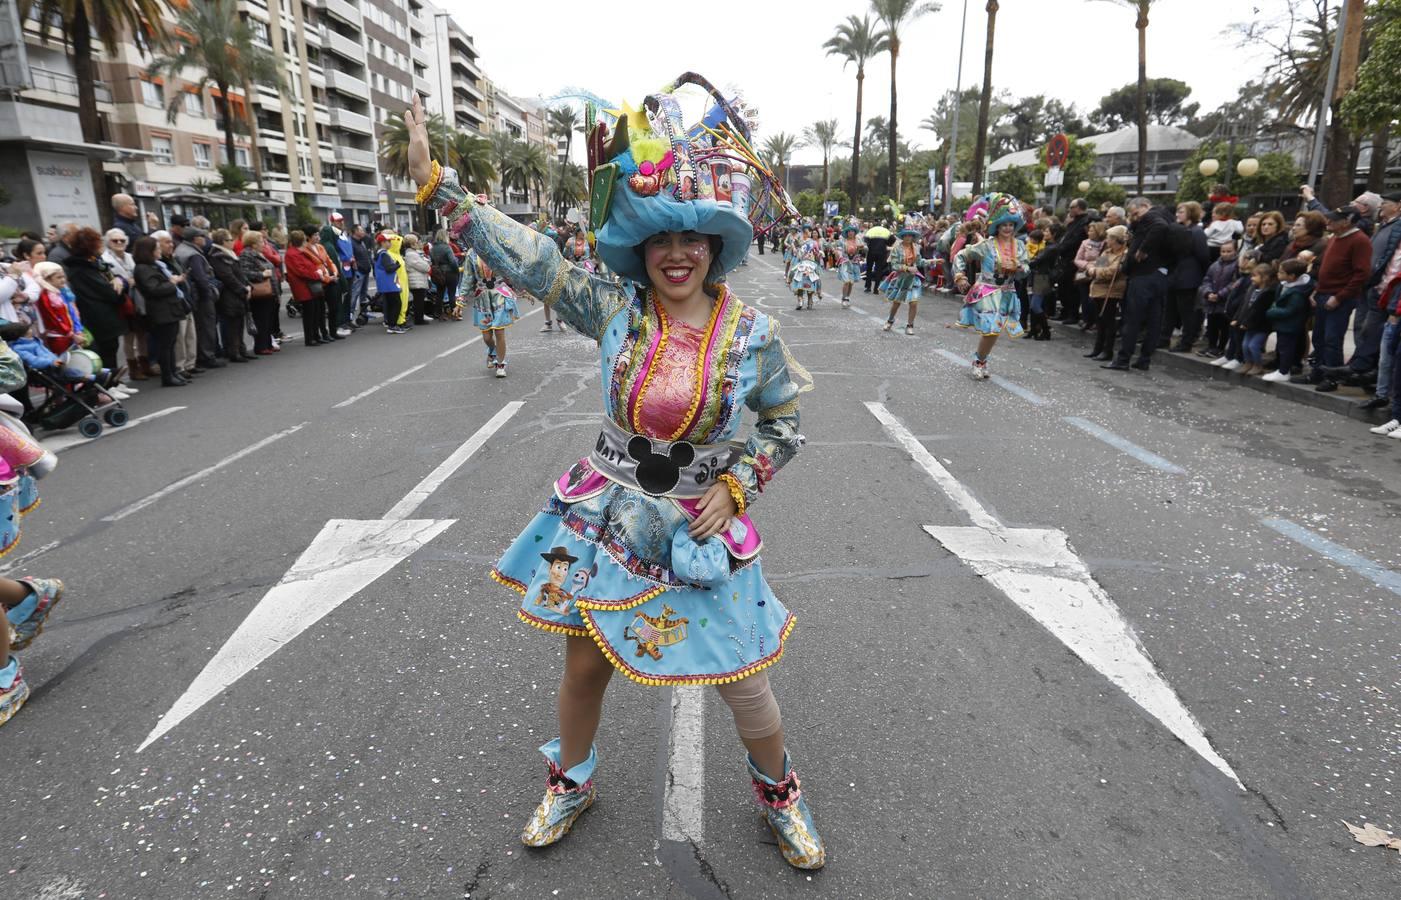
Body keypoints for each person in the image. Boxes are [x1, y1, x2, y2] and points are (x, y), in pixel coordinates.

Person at [405, 81, 823, 868]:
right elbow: (531, 260)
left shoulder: (755, 335)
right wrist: (441, 187)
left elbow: (783, 425)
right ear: (639, 248)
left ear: (715, 246)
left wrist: (736, 485)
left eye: (693, 238)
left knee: (743, 678)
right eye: (660, 240)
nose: (676, 253)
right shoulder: (615, 311)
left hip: (701, 523)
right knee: (583, 662)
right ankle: (571, 782)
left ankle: (781, 797)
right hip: (603, 516)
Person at [953, 193, 1029, 379]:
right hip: (987, 291)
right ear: (997, 226)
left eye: (1011, 225)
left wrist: (1019, 266)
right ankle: (979, 362)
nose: (1008, 228)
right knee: (991, 329)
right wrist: (960, 276)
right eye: (1004, 225)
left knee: (994, 332)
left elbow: (1027, 269)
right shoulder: (987, 245)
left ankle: (981, 359)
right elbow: (960, 256)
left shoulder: (1019, 246)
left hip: (1007, 293)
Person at [1301, 207, 1372, 390]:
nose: (1329, 222)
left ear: (1347, 221)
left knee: (1333, 338)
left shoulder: (1359, 240)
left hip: (1339, 297)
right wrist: (1317, 289)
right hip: (1324, 293)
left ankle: (1332, 377)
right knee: (1319, 336)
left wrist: (1340, 297)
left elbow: (1361, 274)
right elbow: (1325, 267)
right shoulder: (1334, 238)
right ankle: (1318, 371)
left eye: (1334, 219)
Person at [1104, 196, 1174, 372]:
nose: (1135, 217)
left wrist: (1142, 250)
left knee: (1133, 318)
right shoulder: (1166, 216)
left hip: (1143, 275)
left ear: (1145, 206)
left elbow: (1159, 227)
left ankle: (1123, 359)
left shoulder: (1153, 217)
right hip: (1159, 275)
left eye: (1136, 213)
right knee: (1153, 320)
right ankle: (1144, 359)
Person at [60, 228, 128, 376]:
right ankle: (109, 384)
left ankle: (114, 381)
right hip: (98, 315)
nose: (101, 244)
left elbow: (114, 278)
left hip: (104, 313)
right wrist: (118, 285)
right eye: (99, 241)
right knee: (105, 351)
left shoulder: (95, 263)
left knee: (111, 348)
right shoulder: (81, 269)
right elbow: (109, 291)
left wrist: (119, 280)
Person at [131, 236, 189, 386]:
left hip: (169, 308)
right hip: (160, 310)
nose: (159, 251)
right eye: (156, 249)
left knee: (171, 343)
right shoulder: (142, 268)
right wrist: (172, 283)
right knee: (165, 344)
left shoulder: (154, 266)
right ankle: (168, 375)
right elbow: (153, 289)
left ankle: (173, 372)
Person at [462, 249, 524, 376]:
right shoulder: (471, 254)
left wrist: (523, 288)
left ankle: (500, 365)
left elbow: (511, 271)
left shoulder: (496, 248)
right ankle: (492, 350)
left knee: (499, 332)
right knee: (487, 337)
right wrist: (460, 299)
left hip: (500, 295)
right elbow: (467, 277)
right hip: (482, 298)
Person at [173, 227, 225, 369]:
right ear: (195, 239)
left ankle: (199, 357)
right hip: (201, 295)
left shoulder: (181, 249)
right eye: (202, 236)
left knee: (199, 327)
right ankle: (207, 356)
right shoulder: (193, 254)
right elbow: (201, 278)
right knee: (206, 325)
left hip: (191, 293)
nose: (205, 239)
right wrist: (210, 293)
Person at [154, 230, 199, 378]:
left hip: (185, 299)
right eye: (166, 242)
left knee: (190, 335)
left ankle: (190, 364)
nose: (171, 245)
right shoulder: (160, 264)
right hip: (174, 302)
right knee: (180, 337)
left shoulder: (174, 259)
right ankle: (180, 366)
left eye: (171, 242)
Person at [1167, 202, 1210, 352]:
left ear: (1191, 213)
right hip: (1178, 277)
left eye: (1181, 211)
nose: (1177, 214)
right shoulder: (1183, 230)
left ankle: (1186, 342)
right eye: (1177, 211)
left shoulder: (1196, 232)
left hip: (1190, 278)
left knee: (1188, 314)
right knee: (1174, 311)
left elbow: (1203, 256)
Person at [1261, 259, 1313, 383]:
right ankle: (1280, 369)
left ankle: (1284, 371)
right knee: (1281, 347)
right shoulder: (1284, 285)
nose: (1278, 274)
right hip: (1283, 325)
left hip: (1290, 325)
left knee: (1286, 349)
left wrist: (1272, 311)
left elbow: (1290, 311)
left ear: (1292, 276)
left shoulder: (1297, 293)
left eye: (1281, 272)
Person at [207, 228, 253, 363]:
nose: (233, 242)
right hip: (228, 295)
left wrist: (247, 285)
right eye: (230, 240)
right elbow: (227, 276)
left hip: (237, 293)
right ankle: (233, 352)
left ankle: (241, 349)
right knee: (231, 324)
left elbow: (239, 273)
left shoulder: (229, 254)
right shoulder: (217, 256)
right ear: (223, 241)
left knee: (239, 323)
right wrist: (243, 289)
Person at [1084, 225, 1129, 361]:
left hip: (1111, 291)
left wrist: (1094, 271)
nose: (1107, 240)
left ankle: (1107, 350)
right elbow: (1098, 266)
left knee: (1108, 322)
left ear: (1116, 239)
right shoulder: (1107, 252)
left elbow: (1112, 272)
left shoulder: (1124, 254)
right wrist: (1093, 270)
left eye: (1109, 237)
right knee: (1100, 321)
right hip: (1098, 289)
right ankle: (1098, 349)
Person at [283, 230, 331, 347]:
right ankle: (310, 338)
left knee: (315, 312)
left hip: (310, 285)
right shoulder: (293, 254)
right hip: (303, 286)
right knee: (309, 314)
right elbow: (301, 271)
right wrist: (317, 275)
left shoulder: (299, 252)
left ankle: (316, 336)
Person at [1197, 241, 1240, 360]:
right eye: (1223, 251)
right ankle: (1211, 346)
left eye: (1229, 251)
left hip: (1225, 302)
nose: (1225, 254)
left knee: (1224, 326)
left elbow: (1234, 283)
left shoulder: (1237, 265)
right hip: (1211, 301)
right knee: (1212, 325)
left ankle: (1220, 348)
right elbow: (1207, 280)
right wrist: (1208, 292)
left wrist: (1220, 295)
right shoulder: (1215, 265)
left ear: (1235, 251)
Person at [878, 228, 926, 334]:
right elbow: (894, 265)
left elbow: (919, 262)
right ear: (903, 237)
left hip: (913, 278)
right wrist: (907, 268)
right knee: (897, 302)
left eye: (910, 236)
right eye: (906, 235)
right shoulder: (897, 249)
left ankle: (910, 325)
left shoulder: (916, 248)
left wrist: (933, 262)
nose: (908, 237)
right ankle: (890, 320)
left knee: (913, 302)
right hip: (901, 278)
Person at [1237, 262, 1279, 377]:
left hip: (1261, 326)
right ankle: (1248, 363)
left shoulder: (1269, 293)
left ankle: (1258, 365)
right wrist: (1240, 319)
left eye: (1255, 276)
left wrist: (1247, 323)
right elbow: (1246, 307)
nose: (1252, 278)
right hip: (1249, 323)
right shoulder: (1252, 289)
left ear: (1264, 278)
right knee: (1245, 345)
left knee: (1253, 345)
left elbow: (1259, 311)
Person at [1053, 198, 1092, 325]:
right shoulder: (1073, 222)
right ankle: (1065, 312)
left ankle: (1072, 314)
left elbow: (1075, 240)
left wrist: (1062, 247)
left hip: (1073, 260)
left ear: (1078, 208)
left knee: (1071, 289)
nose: (1069, 210)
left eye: (1071, 207)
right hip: (1065, 259)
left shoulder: (1085, 222)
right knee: (1063, 287)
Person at [239, 232, 277, 355]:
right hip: (259, 292)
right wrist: (262, 274)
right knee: (261, 319)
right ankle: (261, 346)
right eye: (261, 241)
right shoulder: (246, 254)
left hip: (268, 291)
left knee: (267, 318)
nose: (263, 244)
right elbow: (245, 273)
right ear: (253, 243)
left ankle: (267, 343)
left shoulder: (259, 253)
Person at [374, 232, 410, 334]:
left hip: (385, 283)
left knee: (391, 304)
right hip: (389, 283)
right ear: (383, 242)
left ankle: (391, 324)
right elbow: (389, 268)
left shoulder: (379, 253)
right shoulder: (384, 254)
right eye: (388, 241)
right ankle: (393, 325)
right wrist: (397, 265)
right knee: (396, 304)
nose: (390, 243)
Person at [789, 227, 823, 311]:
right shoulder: (802, 242)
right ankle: (804, 301)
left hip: (807, 264)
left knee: (807, 281)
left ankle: (807, 300)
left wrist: (819, 257)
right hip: (806, 264)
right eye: (805, 232)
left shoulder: (812, 243)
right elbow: (796, 253)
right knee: (805, 280)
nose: (805, 234)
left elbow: (817, 254)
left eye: (806, 232)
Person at [403, 233, 432, 324]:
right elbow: (425, 267)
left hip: (417, 279)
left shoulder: (411, 253)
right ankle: (419, 320)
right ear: (412, 244)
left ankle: (419, 318)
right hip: (416, 281)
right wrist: (427, 264)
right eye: (416, 242)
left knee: (418, 300)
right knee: (418, 301)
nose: (418, 244)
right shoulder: (412, 255)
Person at [834, 224, 864, 308]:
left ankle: (847, 297)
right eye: (849, 231)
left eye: (852, 231)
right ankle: (844, 298)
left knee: (851, 282)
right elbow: (837, 250)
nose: (851, 233)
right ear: (847, 233)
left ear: (855, 233)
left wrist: (860, 248)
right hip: (845, 262)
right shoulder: (842, 241)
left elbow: (865, 249)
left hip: (854, 263)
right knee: (846, 281)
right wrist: (838, 253)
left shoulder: (858, 241)